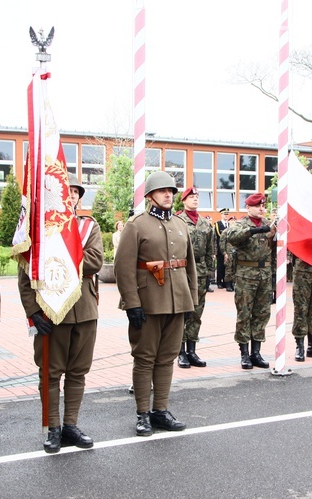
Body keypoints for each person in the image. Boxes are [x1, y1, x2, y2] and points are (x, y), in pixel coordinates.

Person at [18, 174, 102, 453]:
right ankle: (52, 427)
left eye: (76, 192)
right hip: (51, 311)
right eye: (68, 192)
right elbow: (25, 273)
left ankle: (70, 425)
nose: (73, 196)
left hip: (84, 310)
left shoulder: (89, 226)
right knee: (51, 373)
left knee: (78, 371)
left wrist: (59, 257)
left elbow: (95, 261)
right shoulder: (40, 230)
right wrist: (33, 310)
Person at [114, 171, 198, 436]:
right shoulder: (136, 225)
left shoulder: (181, 225)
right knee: (144, 359)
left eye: (171, 191)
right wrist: (132, 303)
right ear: (150, 195)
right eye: (163, 191)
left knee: (167, 358)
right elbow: (122, 267)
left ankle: (160, 410)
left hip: (177, 302)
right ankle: (142, 414)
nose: (168, 195)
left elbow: (190, 267)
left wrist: (190, 301)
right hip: (148, 302)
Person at [225, 193, 276, 369]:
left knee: (262, 314)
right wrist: (253, 231)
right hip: (246, 275)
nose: (261, 209)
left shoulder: (269, 225)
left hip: (264, 275)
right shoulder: (241, 224)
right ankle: (244, 353)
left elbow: (275, 249)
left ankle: (256, 353)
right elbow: (231, 237)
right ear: (248, 208)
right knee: (244, 314)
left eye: (263, 206)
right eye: (257, 206)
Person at [176, 186, 215, 368]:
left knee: (197, 313)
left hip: (200, 270)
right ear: (184, 201)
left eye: (197, 196)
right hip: (183, 270)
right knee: (183, 313)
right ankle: (181, 352)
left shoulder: (205, 223)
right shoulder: (177, 221)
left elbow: (210, 251)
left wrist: (209, 274)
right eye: (191, 196)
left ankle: (192, 350)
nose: (195, 199)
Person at [213, 208, 231, 289]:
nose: (226, 216)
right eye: (224, 214)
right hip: (220, 248)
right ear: (221, 214)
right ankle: (219, 281)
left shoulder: (230, 225)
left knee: (227, 266)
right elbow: (219, 235)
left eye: (227, 214)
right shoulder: (217, 224)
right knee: (220, 265)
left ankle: (225, 281)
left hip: (228, 248)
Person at [220, 216, 237, 292]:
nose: (233, 222)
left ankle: (233, 283)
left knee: (235, 269)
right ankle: (228, 284)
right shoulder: (226, 231)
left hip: (236, 253)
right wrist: (224, 253)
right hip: (228, 252)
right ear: (229, 222)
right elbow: (222, 243)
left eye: (234, 220)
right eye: (231, 220)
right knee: (228, 269)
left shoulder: (238, 231)